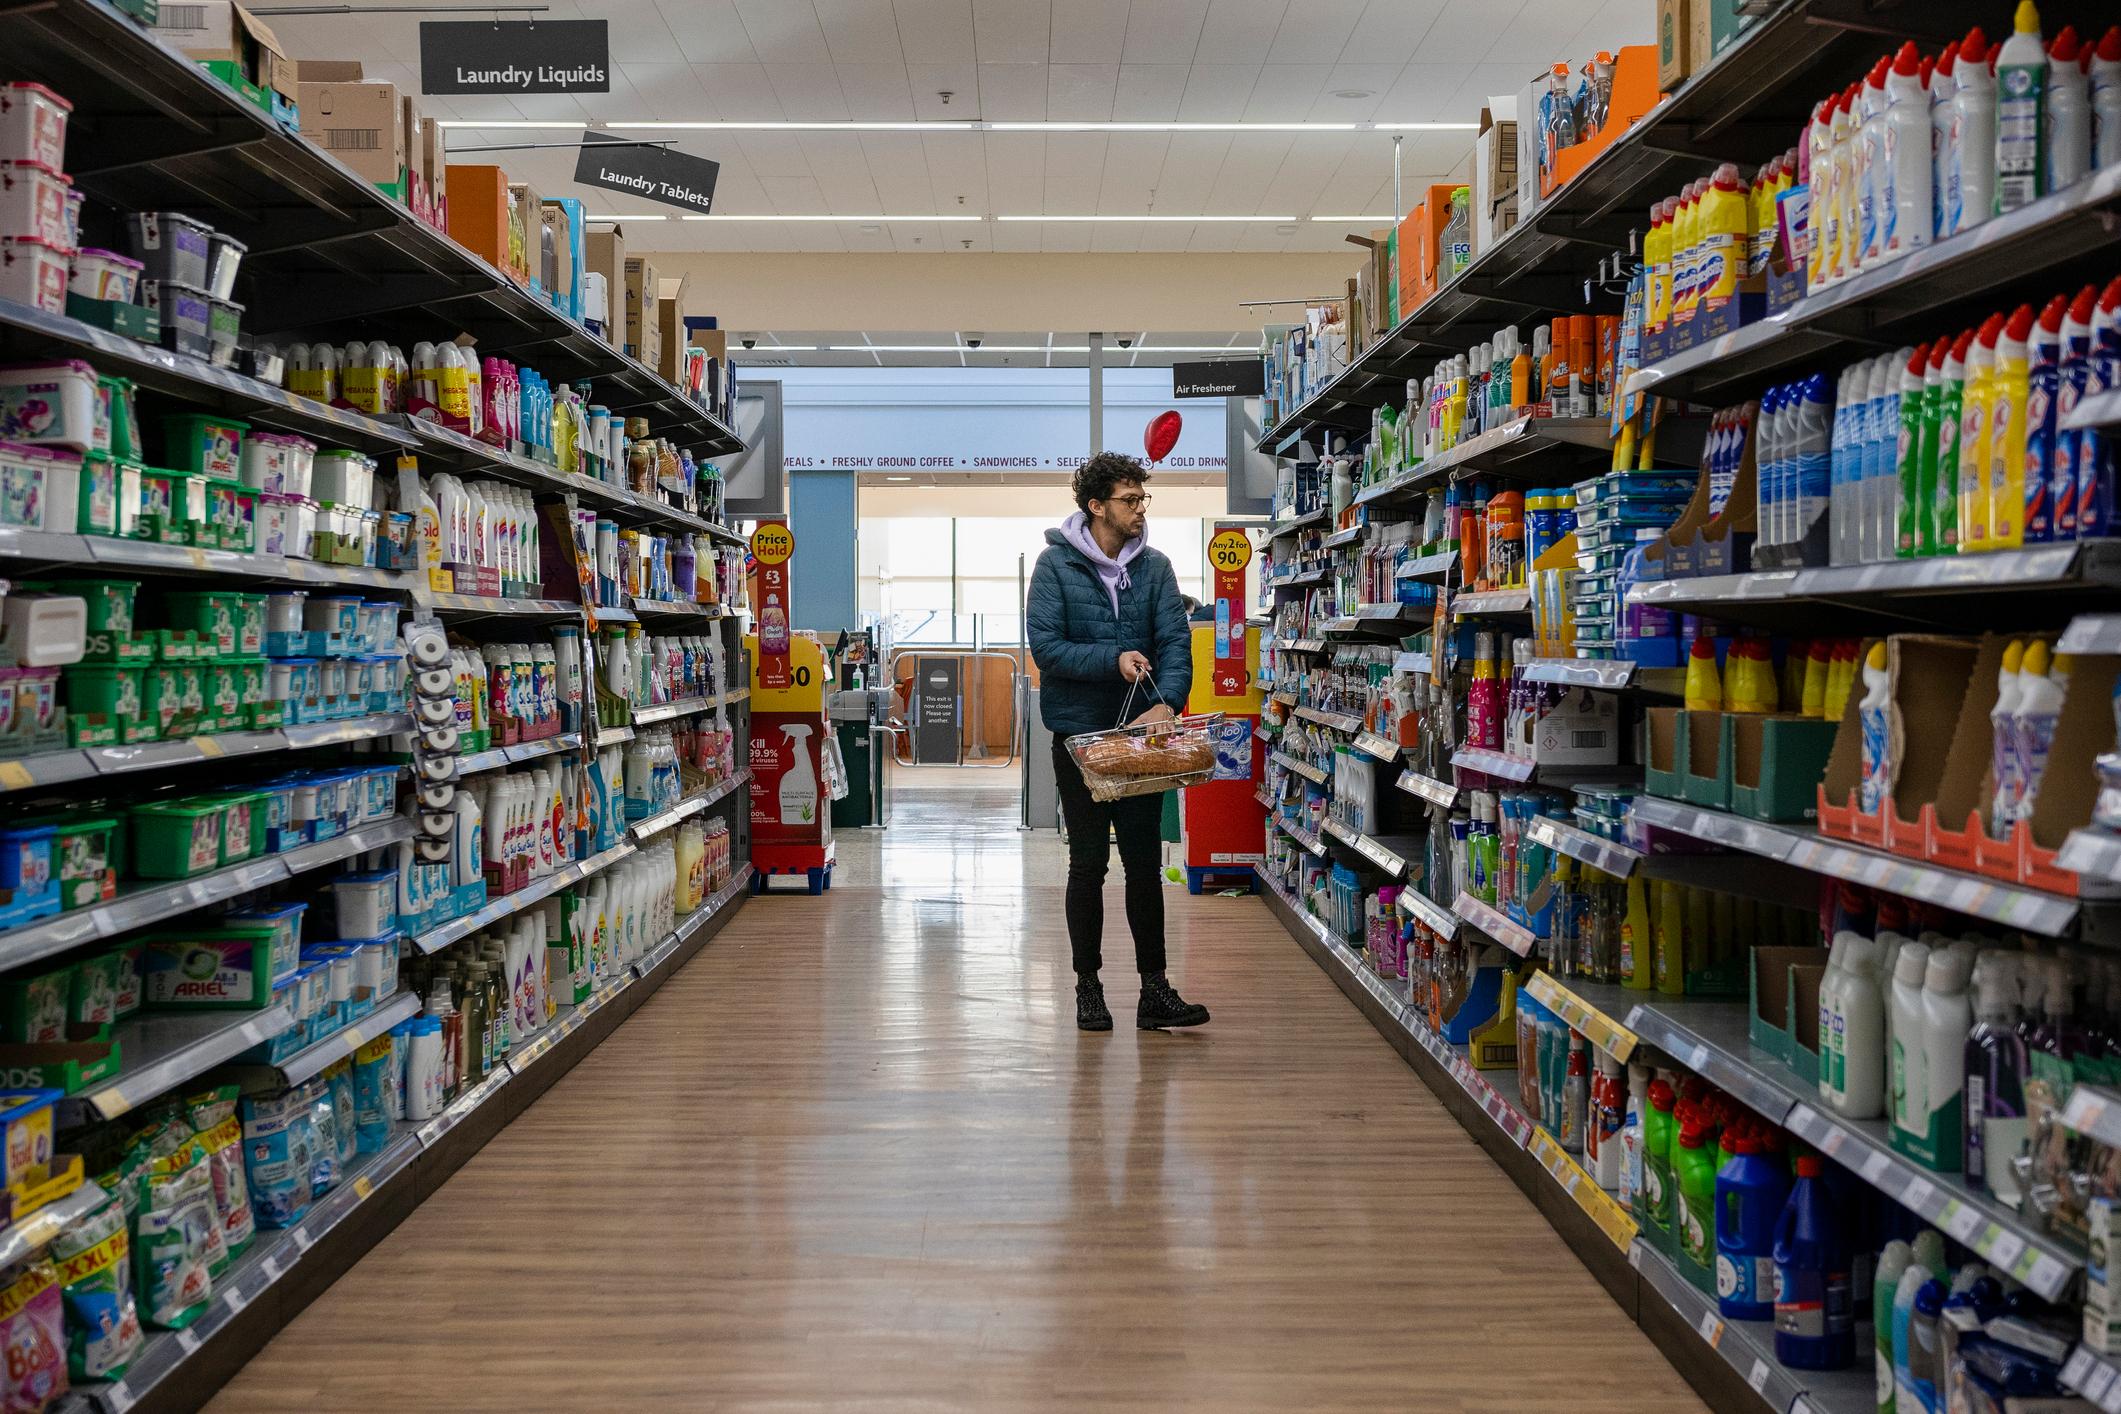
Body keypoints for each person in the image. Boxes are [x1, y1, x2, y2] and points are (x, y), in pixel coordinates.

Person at [1027, 452, 1211, 1034]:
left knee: (1144, 867)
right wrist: (1113, 661)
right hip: (1080, 739)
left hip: (1141, 741)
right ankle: (1088, 988)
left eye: (1142, 499)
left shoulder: (1155, 567)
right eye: (1129, 500)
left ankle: (1154, 990)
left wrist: (1168, 702)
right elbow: (1047, 648)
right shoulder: (1054, 567)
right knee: (1087, 865)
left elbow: (1175, 643)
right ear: (1096, 505)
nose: (1139, 509)